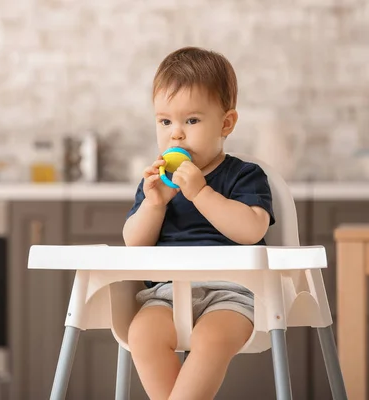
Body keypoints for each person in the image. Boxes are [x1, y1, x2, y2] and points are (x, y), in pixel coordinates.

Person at [123, 46, 275, 400]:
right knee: (142, 334)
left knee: (210, 338)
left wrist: (201, 193)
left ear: (226, 123)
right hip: (165, 294)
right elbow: (134, 244)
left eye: (191, 121)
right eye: (165, 122)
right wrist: (154, 204)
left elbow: (252, 230)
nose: (176, 134)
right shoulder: (157, 183)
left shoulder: (244, 176)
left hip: (234, 294)